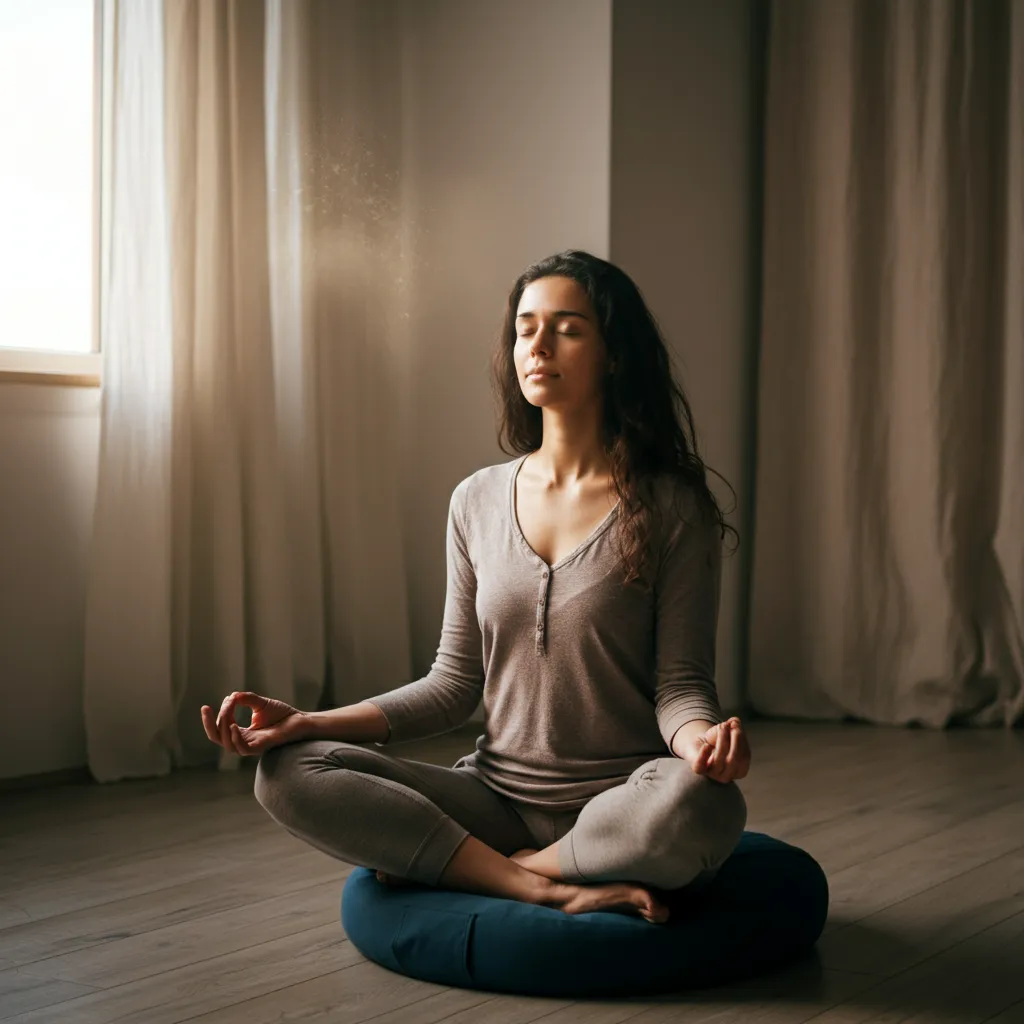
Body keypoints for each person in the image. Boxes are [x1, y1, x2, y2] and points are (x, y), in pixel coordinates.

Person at [201, 250, 752, 925]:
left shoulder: (675, 508)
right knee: (289, 771)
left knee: (707, 804)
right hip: (492, 799)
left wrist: (701, 744)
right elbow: (452, 684)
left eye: (568, 329)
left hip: (621, 798)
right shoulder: (476, 500)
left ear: (613, 354)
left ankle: (501, 869)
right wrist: (308, 722)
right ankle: (538, 884)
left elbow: (680, 686)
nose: (538, 346)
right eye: (525, 328)